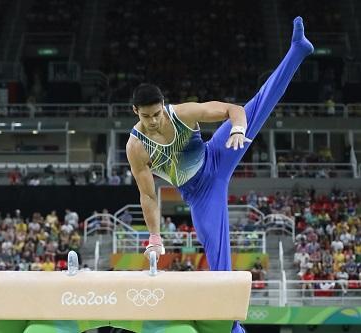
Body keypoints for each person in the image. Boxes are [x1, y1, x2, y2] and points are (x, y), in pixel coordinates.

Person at [126, 17, 313, 333]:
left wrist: (239, 128)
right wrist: (155, 237)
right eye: (147, 116)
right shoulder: (136, 147)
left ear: (163, 106)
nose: (154, 120)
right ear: (136, 113)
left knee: (257, 105)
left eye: (157, 113)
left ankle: (297, 51)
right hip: (199, 193)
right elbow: (147, 195)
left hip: (217, 154)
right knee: (215, 248)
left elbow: (232, 108)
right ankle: (232, 325)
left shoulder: (181, 113)